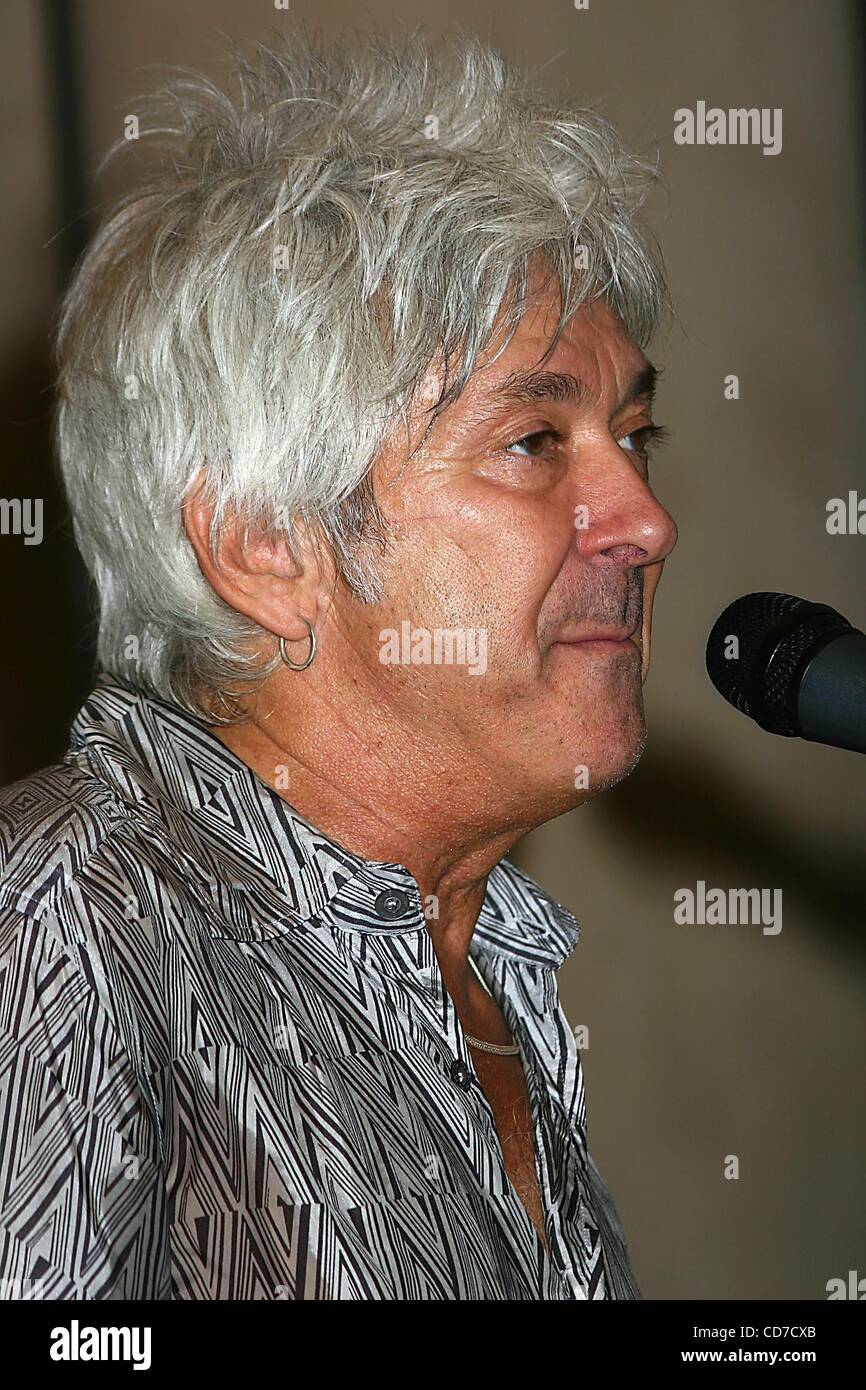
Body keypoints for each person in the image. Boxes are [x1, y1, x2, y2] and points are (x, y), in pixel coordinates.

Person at [0, 26, 676, 1300]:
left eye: (635, 433)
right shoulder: (62, 926)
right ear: (263, 542)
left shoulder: (484, 971)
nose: (643, 517)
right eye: (535, 440)